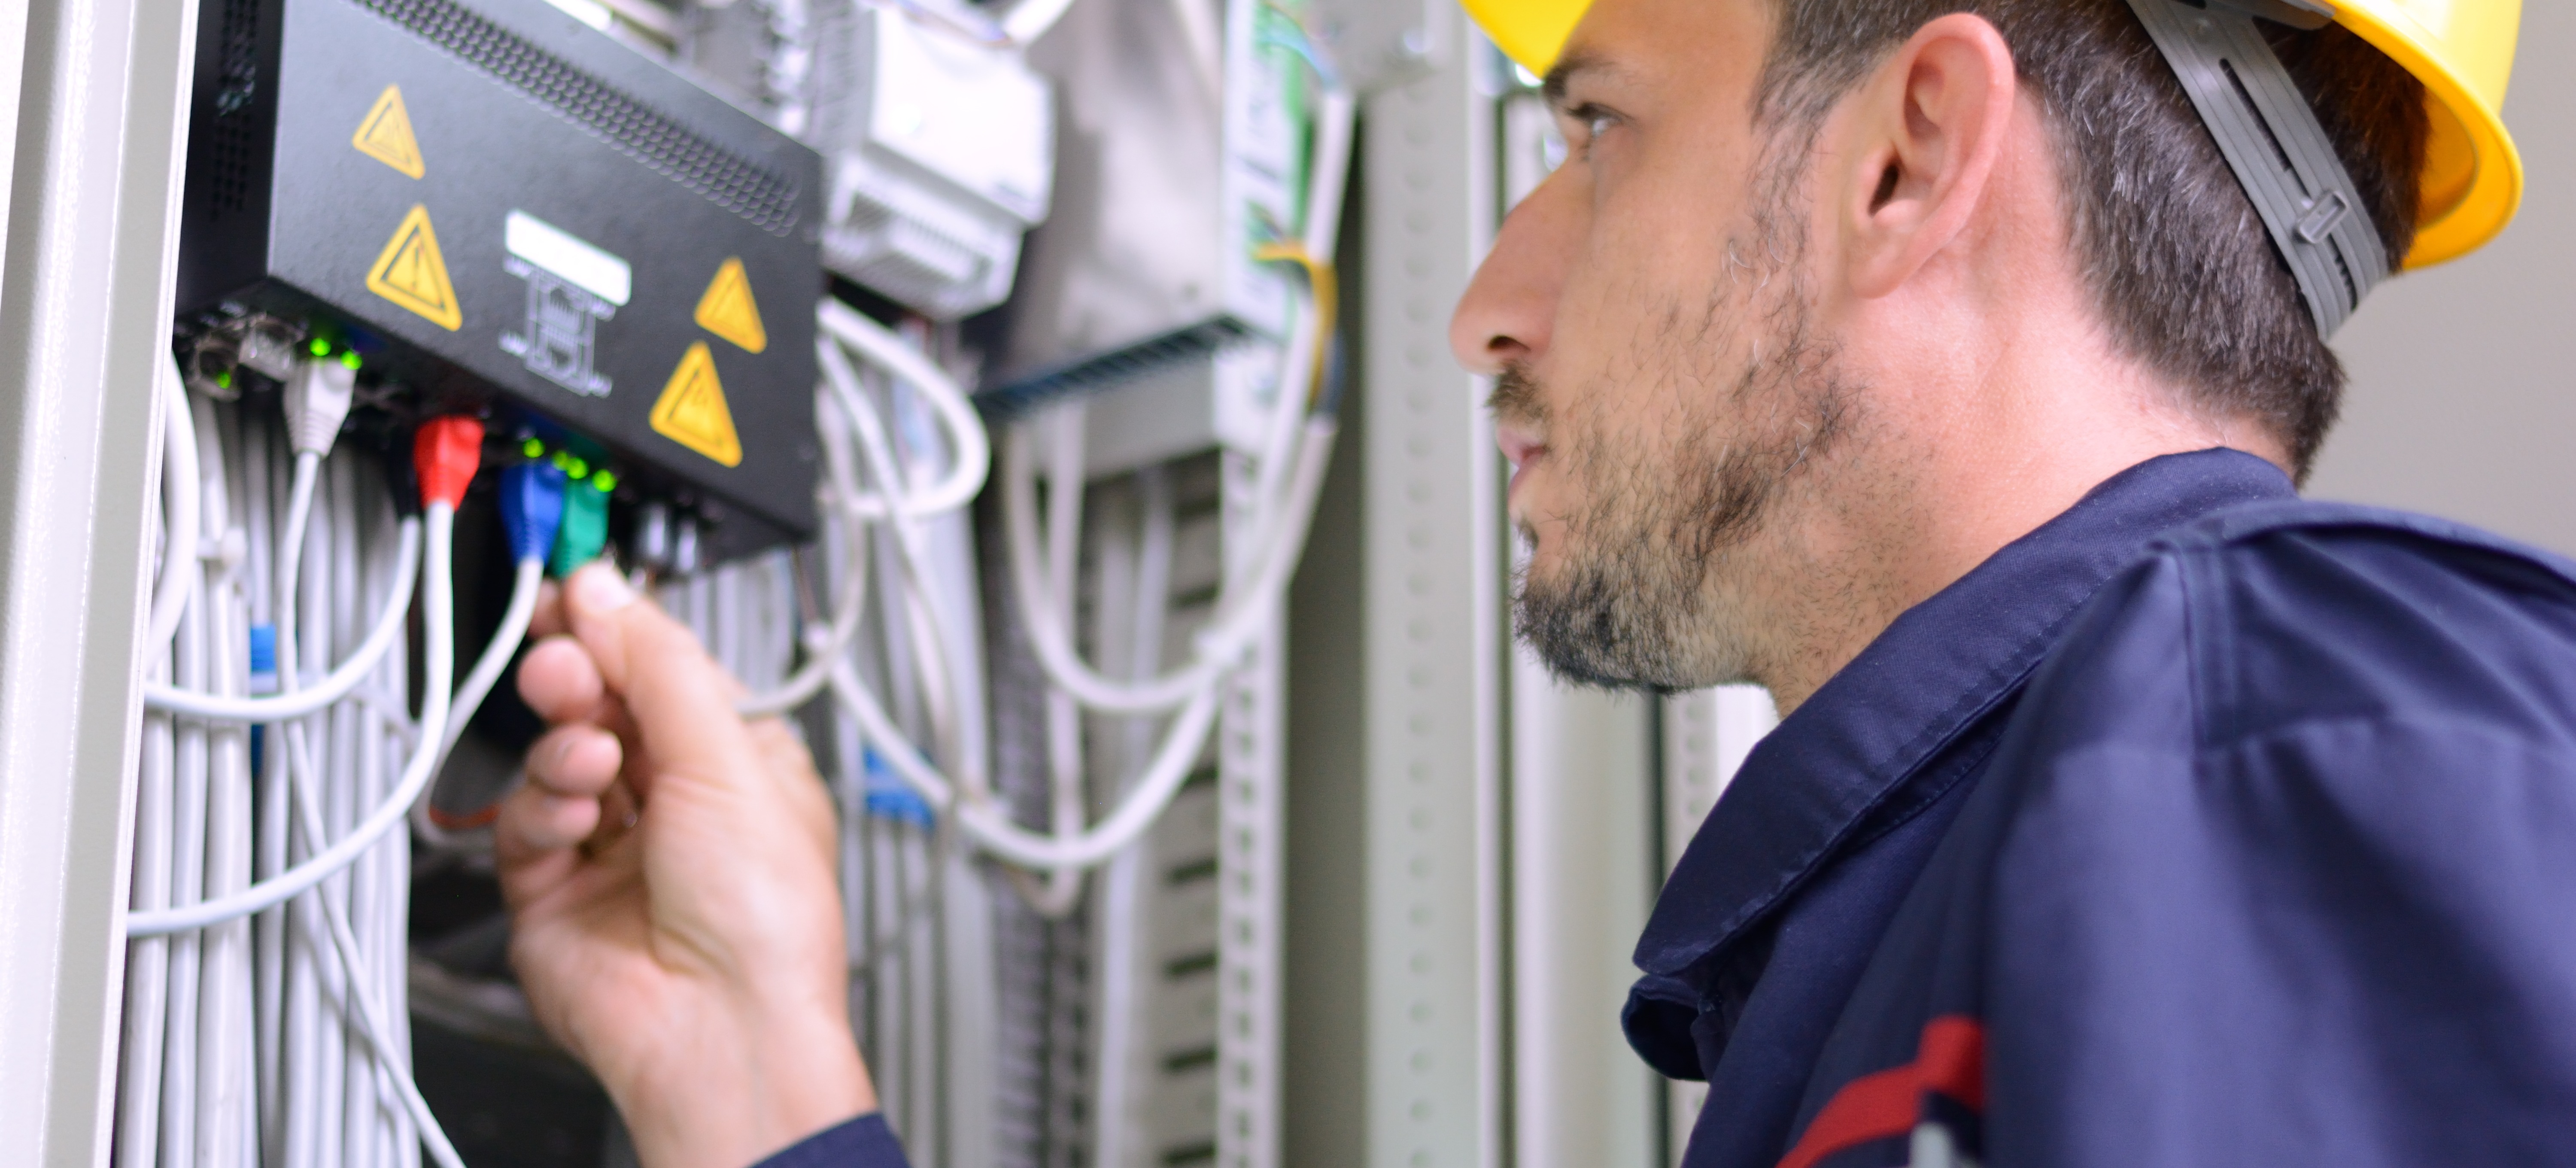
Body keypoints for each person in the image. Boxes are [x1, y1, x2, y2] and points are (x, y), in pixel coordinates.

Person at [496, 0, 2566, 1164]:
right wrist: (755, 1069)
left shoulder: (2317, 723)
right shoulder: (1966, 896)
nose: (1486, 303)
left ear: (1908, 154)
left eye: (1594, 132)